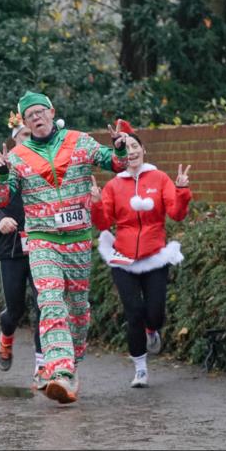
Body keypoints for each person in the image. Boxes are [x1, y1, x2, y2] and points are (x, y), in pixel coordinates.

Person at [0, 91, 128, 404]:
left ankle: (70, 364)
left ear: (52, 112)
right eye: (30, 116)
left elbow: (115, 164)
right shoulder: (17, 158)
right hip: (42, 240)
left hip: (78, 240)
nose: (36, 118)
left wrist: (118, 148)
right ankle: (59, 370)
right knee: (51, 301)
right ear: (24, 122)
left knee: (78, 309)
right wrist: (0, 174)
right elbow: (0, 199)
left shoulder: (80, 141)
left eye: (40, 112)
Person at [90, 123, 192, 388]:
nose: (132, 152)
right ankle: (140, 368)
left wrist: (181, 190)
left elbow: (177, 214)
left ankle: (152, 330)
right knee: (133, 312)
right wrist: (97, 202)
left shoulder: (159, 179)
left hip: (154, 254)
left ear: (144, 150)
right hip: (123, 257)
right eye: (128, 148)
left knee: (155, 313)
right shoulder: (114, 185)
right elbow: (103, 224)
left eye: (136, 146)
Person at [0, 115, 44, 378]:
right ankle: (6, 338)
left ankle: (41, 366)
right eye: (23, 134)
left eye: (31, 134)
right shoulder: (2, 166)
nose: (28, 139)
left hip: (43, 246)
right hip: (12, 249)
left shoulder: (46, 165)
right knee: (15, 309)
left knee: (43, 306)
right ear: (14, 139)